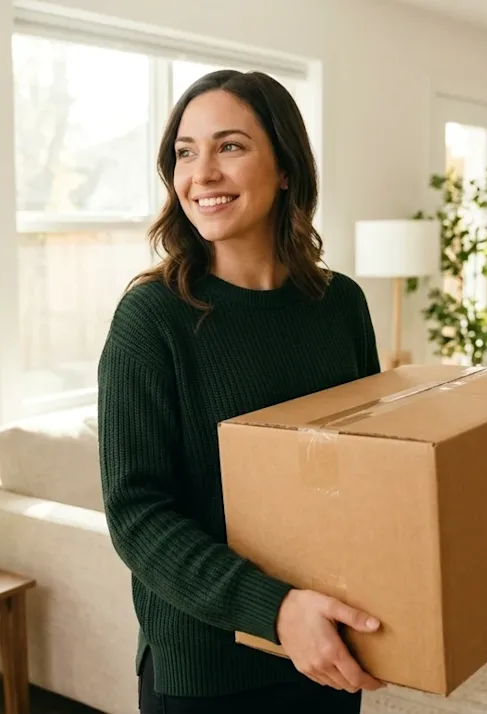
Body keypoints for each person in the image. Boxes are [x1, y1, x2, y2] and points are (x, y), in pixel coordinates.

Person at [96, 68, 386, 714]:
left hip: (330, 639)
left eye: (229, 146)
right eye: (184, 152)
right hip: (206, 666)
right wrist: (275, 608)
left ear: (285, 168)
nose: (202, 173)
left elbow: (367, 469)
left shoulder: (341, 304)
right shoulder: (153, 318)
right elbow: (137, 515)